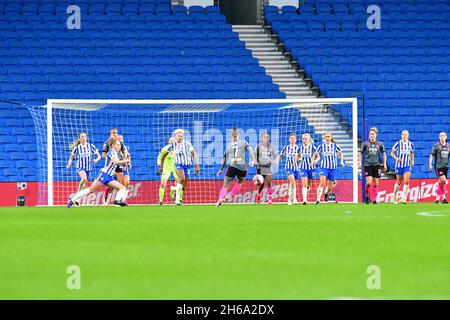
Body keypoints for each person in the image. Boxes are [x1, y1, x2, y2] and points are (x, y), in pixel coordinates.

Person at [68, 138, 129, 208]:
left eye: (120, 145)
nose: (119, 147)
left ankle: (117, 201)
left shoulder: (115, 153)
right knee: (91, 189)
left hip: (109, 177)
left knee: (122, 188)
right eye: (117, 145)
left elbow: (112, 164)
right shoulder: (112, 152)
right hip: (104, 174)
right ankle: (72, 200)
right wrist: (125, 161)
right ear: (113, 145)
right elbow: (115, 162)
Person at [158, 129, 200, 205]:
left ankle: (174, 189)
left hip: (187, 165)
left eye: (181, 136)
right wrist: (161, 166)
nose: (180, 137)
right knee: (182, 178)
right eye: (178, 136)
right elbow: (164, 155)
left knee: (185, 184)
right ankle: (177, 200)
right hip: (178, 164)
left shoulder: (187, 144)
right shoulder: (173, 145)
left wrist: (197, 165)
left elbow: (194, 154)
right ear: (175, 137)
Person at [216, 127, 255, 207]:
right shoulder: (243, 142)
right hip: (242, 167)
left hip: (232, 166)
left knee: (225, 185)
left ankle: (220, 198)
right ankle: (230, 196)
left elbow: (225, 158)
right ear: (238, 134)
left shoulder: (229, 145)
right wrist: (252, 160)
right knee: (240, 182)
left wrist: (221, 170)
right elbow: (250, 150)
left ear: (231, 135)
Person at [359, 128, 387, 204]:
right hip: (368, 165)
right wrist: (360, 162)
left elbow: (384, 154)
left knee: (376, 183)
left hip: (377, 165)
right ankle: (367, 196)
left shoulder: (380, 144)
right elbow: (361, 153)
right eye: (370, 134)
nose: (371, 135)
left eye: (373, 134)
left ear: (376, 135)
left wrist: (384, 163)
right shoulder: (365, 144)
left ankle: (374, 199)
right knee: (369, 182)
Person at [316, 132, 344, 204]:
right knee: (322, 183)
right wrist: (314, 160)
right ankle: (318, 200)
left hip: (333, 168)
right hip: (324, 167)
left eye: (329, 137)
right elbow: (315, 153)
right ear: (324, 138)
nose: (327, 138)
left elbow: (341, 153)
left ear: (331, 138)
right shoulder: (321, 146)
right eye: (326, 137)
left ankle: (326, 193)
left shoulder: (334, 146)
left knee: (330, 187)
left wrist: (341, 161)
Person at [102, 128, 128, 205]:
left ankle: (118, 200)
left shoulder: (120, 143)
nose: (115, 134)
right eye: (113, 133)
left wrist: (124, 159)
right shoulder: (107, 143)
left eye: (116, 133)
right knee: (111, 182)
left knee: (119, 183)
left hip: (119, 163)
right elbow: (103, 155)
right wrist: (111, 157)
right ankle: (106, 196)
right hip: (111, 165)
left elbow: (124, 151)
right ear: (110, 134)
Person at [254, 133, 278, 205]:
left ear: (268, 138)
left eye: (267, 137)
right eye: (264, 137)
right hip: (260, 167)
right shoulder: (258, 147)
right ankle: (258, 195)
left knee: (269, 181)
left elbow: (276, 156)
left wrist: (275, 160)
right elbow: (254, 156)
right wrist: (256, 162)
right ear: (262, 138)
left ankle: (270, 198)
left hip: (268, 166)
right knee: (261, 184)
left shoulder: (271, 147)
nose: (265, 139)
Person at [390, 130, 414, 204]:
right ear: (401, 135)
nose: (404, 135)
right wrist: (397, 158)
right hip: (399, 165)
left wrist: (412, 160)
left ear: (408, 135)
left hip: (407, 165)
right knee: (399, 182)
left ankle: (404, 198)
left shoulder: (410, 144)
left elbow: (412, 153)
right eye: (403, 134)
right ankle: (394, 196)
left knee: (407, 181)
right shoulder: (398, 143)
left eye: (405, 134)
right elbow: (392, 153)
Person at [279, 132, 301, 205]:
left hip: (296, 168)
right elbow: (281, 155)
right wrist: (277, 160)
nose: (292, 139)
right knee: (292, 182)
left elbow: (300, 158)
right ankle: (292, 199)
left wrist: (297, 160)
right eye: (291, 138)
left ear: (296, 140)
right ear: (289, 139)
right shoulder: (286, 147)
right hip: (288, 167)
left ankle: (291, 198)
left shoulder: (298, 148)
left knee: (293, 184)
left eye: (294, 138)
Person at [298, 133, 320, 205]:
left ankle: (307, 189)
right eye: (303, 139)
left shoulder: (313, 147)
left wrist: (315, 161)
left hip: (311, 168)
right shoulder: (300, 148)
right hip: (303, 168)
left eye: (306, 139)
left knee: (308, 185)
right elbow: (298, 157)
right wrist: (299, 159)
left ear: (309, 139)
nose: (304, 140)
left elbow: (318, 157)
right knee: (304, 184)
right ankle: (304, 200)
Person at [157, 137, 179, 205]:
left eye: (173, 140)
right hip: (166, 168)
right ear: (168, 141)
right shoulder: (165, 148)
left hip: (175, 168)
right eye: (170, 140)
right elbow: (159, 157)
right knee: (163, 184)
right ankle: (160, 200)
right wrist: (159, 165)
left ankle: (177, 198)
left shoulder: (178, 149)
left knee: (179, 184)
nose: (172, 141)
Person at [429, 132, 449, 204]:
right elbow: (431, 155)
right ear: (439, 137)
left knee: (441, 182)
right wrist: (430, 164)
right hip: (438, 167)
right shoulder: (436, 146)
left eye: (443, 136)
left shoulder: (448, 146)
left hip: (445, 167)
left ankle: (439, 198)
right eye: (440, 136)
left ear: (446, 137)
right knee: (443, 180)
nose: (442, 137)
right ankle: (443, 197)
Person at [117, 135, 131, 199]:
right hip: (117, 168)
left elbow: (128, 156)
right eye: (118, 139)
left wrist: (129, 162)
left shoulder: (126, 147)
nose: (120, 140)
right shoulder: (115, 148)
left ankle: (123, 199)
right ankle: (107, 197)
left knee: (127, 183)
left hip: (125, 167)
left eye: (121, 139)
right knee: (117, 185)